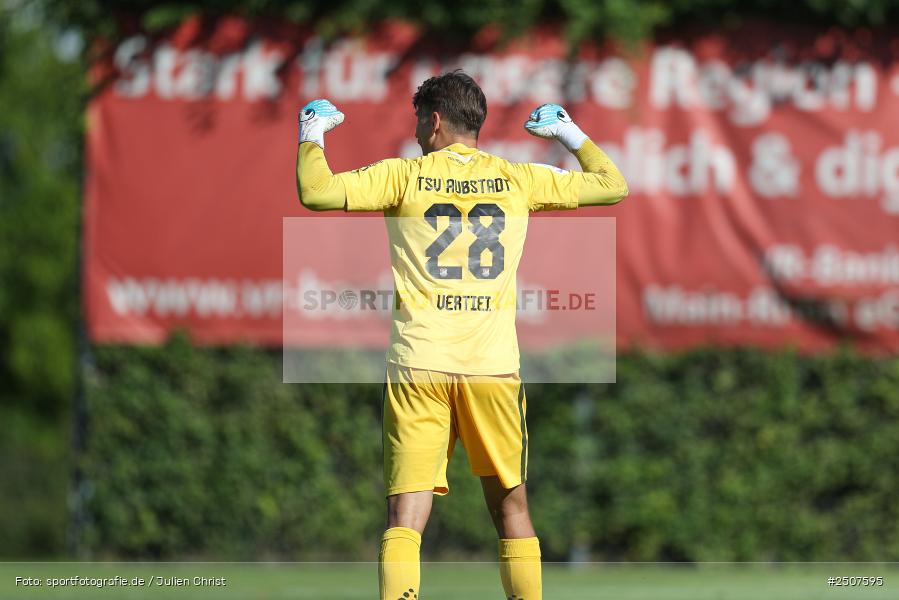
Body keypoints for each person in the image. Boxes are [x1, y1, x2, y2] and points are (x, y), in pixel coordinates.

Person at [295, 70, 627, 600]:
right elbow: (612, 185)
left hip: (419, 362)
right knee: (512, 507)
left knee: (405, 514)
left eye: (418, 122)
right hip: (492, 366)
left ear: (434, 119)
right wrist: (568, 134)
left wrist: (312, 132)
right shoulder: (517, 177)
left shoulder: (404, 176)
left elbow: (315, 192)